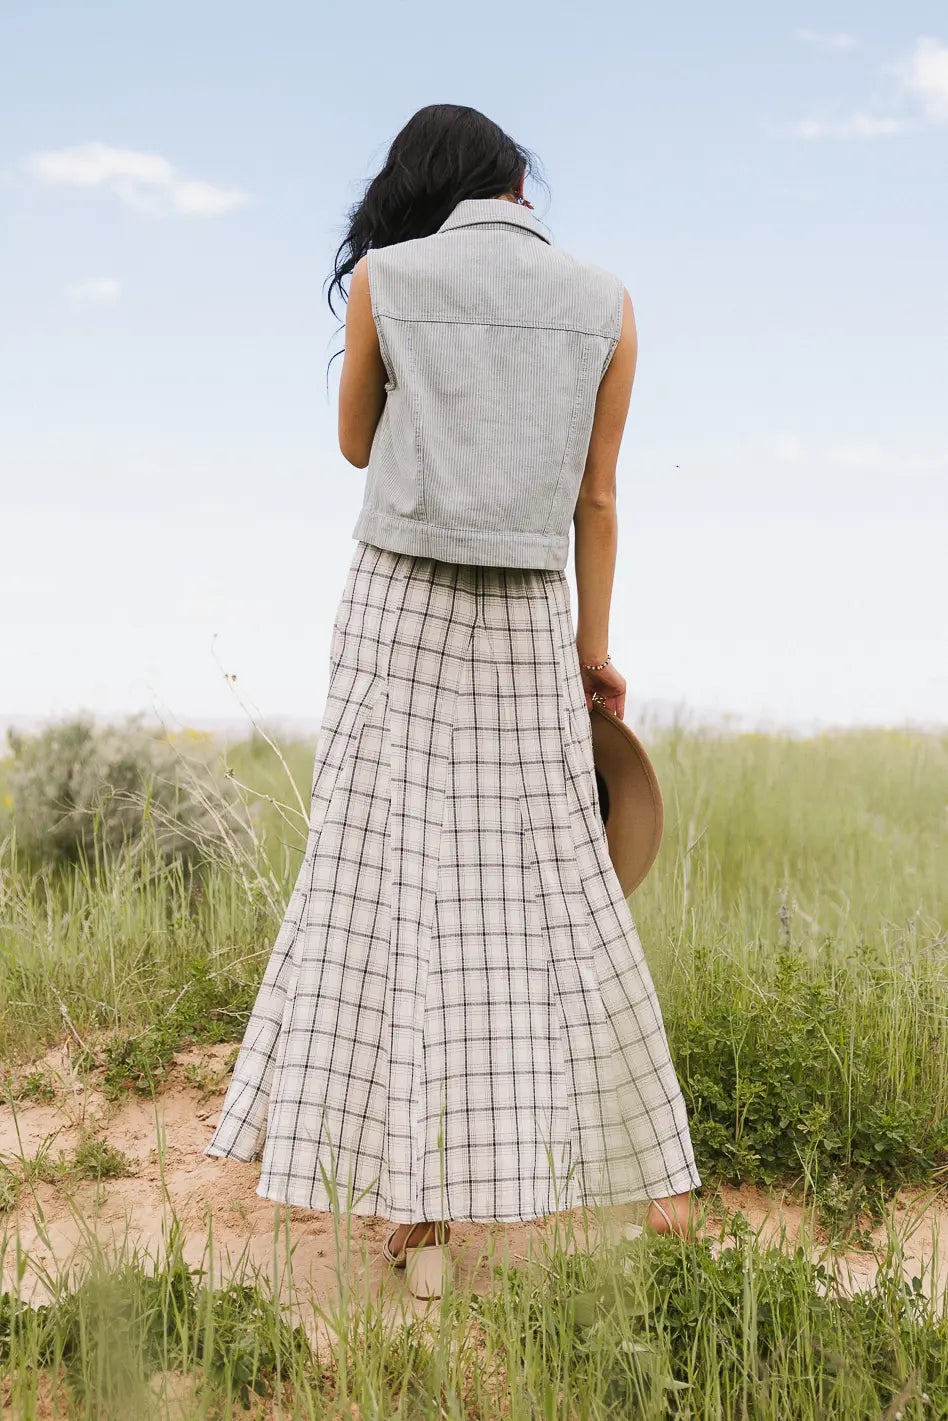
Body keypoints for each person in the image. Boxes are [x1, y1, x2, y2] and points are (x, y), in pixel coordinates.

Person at [206, 103, 701, 1299]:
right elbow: (596, 499)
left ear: (424, 187)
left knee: (393, 886)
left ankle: (418, 1213)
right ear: (516, 183)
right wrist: (594, 651)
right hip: (529, 613)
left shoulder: (389, 279)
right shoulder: (608, 301)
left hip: (400, 607)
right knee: (562, 882)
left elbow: (354, 445)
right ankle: (659, 1183)